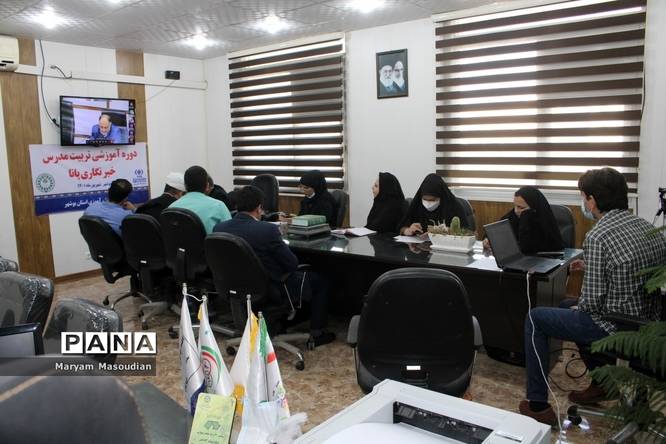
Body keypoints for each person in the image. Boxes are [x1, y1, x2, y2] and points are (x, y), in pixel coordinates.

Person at [519, 167, 666, 426]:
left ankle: (538, 406)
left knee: (535, 318)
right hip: (650, 324)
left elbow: (592, 304)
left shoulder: (598, 235)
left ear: (592, 200)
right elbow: (632, 270)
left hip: (616, 327)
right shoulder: (644, 226)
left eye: (583, 197)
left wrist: (580, 307)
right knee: (566, 303)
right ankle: (602, 384)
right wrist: (590, 267)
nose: (584, 202)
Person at [213, 186, 335, 347]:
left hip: (235, 288)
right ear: (259, 208)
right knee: (321, 280)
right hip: (270, 290)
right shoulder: (267, 230)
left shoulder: (220, 228)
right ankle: (318, 332)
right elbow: (292, 264)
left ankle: (281, 324)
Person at [483, 186, 564, 254]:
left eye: (521, 207)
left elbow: (526, 248)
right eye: (515, 206)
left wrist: (525, 218)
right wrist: (488, 239)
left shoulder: (543, 221)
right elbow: (496, 230)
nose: (516, 211)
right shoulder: (513, 215)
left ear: (534, 208)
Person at [168, 165, 231, 234]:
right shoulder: (219, 206)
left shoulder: (171, 208)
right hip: (207, 241)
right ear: (207, 185)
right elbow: (229, 233)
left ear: (185, 186)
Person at [399, 174, 467, 236]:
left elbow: (467, 232)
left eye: (432, 200)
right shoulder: (417, 205)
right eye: (425, 199)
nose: (428, 203)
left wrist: (447, 231)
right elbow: (401, 227)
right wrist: (407, 230)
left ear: (441, 197)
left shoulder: (454, 207)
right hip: (419, 244)